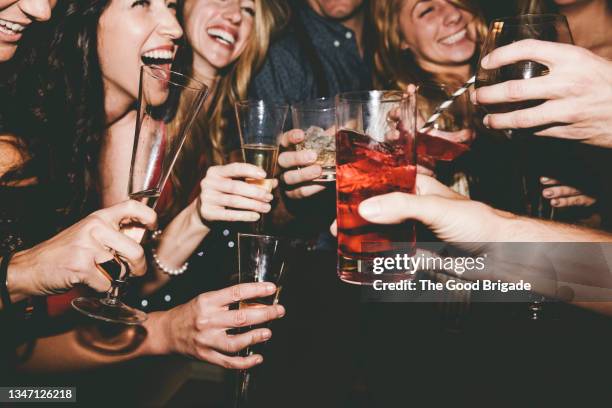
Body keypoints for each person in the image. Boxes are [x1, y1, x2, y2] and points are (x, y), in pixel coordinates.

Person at [3, 0, 285, 387]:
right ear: (85, 20)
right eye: (141, 3)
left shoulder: (85, 138)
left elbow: (124, 277)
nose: (174, 26)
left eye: (170, 5)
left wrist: (199, 215)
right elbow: (15, 359)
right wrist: (165, 331)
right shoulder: (19, 154)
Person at [98, 0, 289, 308]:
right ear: (181, 9)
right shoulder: (140, 121)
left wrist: (292, 185)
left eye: (249, 10)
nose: (234, 15)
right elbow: (115, 280)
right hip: (138, 330)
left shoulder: (232, 130)